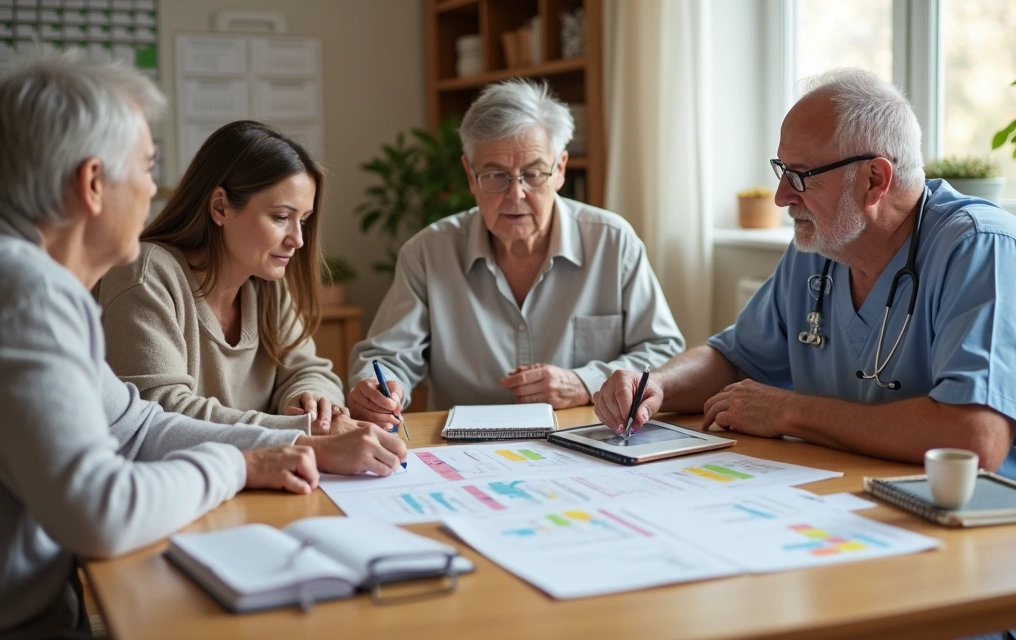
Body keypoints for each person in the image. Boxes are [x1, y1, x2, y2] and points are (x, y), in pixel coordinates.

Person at [592, 68, 1016, 639]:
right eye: (781, 171)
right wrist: (656, 384)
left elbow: (974, 441)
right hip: (892, 520)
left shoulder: (983, 249)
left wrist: (791, 411)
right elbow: (736, 357)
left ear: (875, 179)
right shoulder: (821, 247)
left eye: (800, 176)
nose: (781, 196)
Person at [0, 52, 405, 639]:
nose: (152, 190)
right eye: (147, 168)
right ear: (92, 183)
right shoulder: (30, 294)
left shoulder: (39, 283)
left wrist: (299, 440)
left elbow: (137, 426)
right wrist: (241, 464)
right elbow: (101, 509)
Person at [347, 79, 684, 426]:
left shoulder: (613, 243)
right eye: (496, 175)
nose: (516, 194)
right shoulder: (427, 254)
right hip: (462, 446)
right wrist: (378, 389)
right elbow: (387, 358)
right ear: (470, 175)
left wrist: (584, 382)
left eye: (533, 173)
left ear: (560, 169)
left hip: (584, 437)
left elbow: (663, 353)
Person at [96, 120, 359, 435]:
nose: (298, 240)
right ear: (220, 207)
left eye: (303, 220)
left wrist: (314, 403)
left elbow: (309, 370)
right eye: (280, 217)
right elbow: (160, 413)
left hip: (260, 465)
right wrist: (299, 430)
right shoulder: (145, 273)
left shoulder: (267, 285)